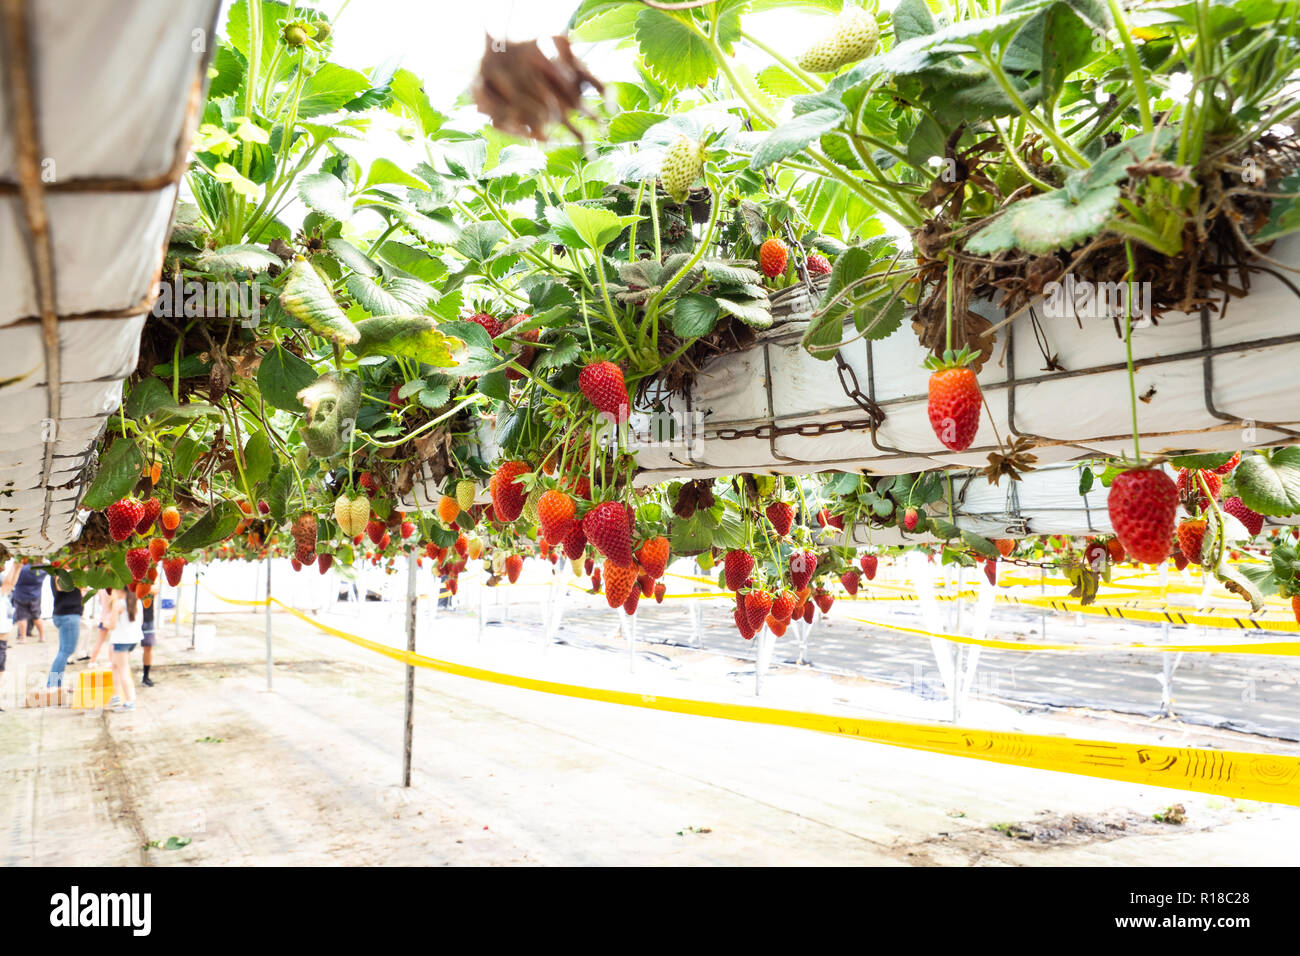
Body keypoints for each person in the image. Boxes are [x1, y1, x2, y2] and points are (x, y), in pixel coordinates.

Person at [101, 588, 142, 713]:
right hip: (133, 639)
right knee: (115, 666)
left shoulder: (118, 604)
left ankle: (129, 702)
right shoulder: (136, 601)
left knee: (123, 669)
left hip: (121, 640)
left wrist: (104, 623)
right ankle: (116, 696)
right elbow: (140, 622)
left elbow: (112, 625)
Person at [48, 578, 83, 690]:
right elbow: (60, 586)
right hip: (68, 614)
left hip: (67, 614)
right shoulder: (61, 569)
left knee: (63, 651)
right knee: (66, 651)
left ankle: (57, 684)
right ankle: (52, 685)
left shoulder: (65, 569)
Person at [10, 561, 47, 644]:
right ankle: (42, 636)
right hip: (35, 595)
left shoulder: (22, 568)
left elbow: (13, 579)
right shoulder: (42, 569)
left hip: (20, 595)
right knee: (37, 617)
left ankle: (23, 638)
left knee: (22, 618)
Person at [140, 584, 158, 687]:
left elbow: (155, 589)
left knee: (148, 647)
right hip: (130, 616)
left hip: (147, 617)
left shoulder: (150, 574)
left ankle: (146, 676)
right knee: (124, 649)